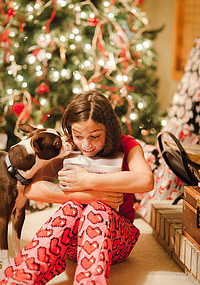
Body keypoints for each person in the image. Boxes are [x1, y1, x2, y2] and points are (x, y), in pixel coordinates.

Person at [0, 90, 154, 285]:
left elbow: (145, 181)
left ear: (110, 130)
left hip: (117, 242)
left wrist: (88, 180)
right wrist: (89, 196)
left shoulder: (126, 145)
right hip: (71, 243)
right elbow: (32, 189)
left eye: (95, 136)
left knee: (98, 210)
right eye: (78, 135)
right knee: (70, 209)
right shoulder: (66, 147)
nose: (85, 144)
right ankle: (18, 279)